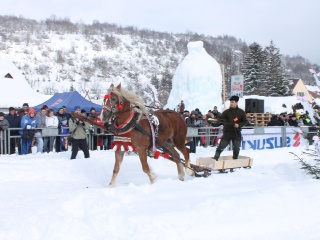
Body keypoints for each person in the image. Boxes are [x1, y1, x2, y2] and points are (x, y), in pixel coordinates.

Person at [213, 95, 247, 160]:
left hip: (236, 133)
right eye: (231, 102)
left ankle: (235, 159)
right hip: (227, 132)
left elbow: (245, 122)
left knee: (237, 147)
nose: (231, 103)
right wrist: (217, 120)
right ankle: (215, 159)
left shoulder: (241, 112)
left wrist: (239, 125)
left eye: (233, 102)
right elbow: (220, 119)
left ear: (236, 103)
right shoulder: (226, 112)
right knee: (221, 146)